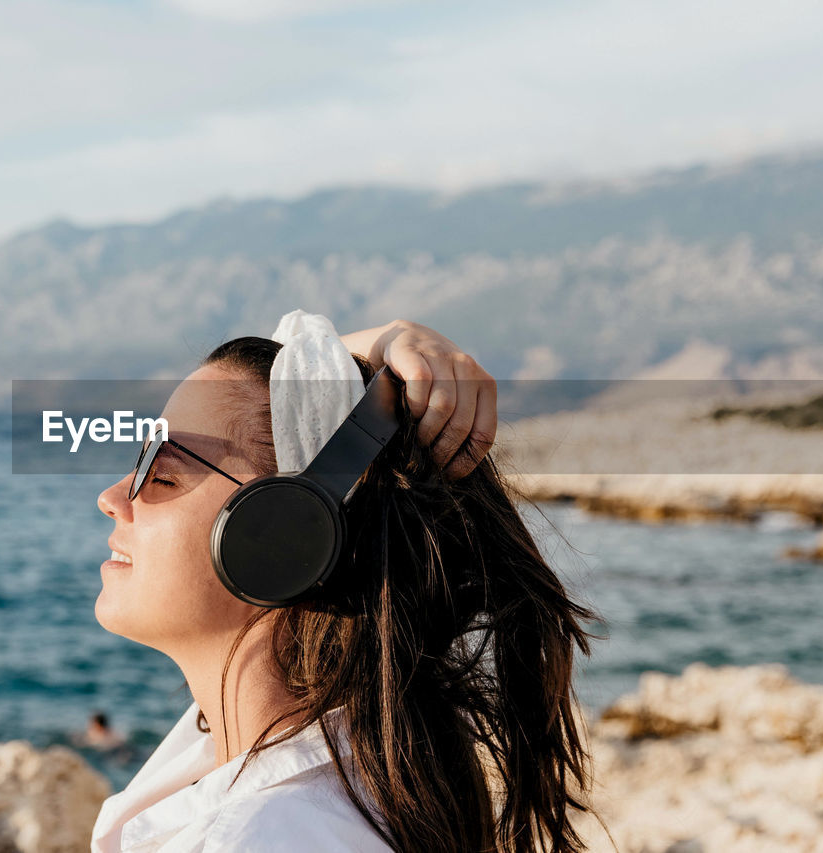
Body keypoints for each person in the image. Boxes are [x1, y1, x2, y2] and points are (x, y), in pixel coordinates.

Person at [91, 313, 595, 852]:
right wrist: (388, 343)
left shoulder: (256, 837)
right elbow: (273, 399)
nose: (113, 497)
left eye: (160, 473)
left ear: (289, 530)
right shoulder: (349, 773)